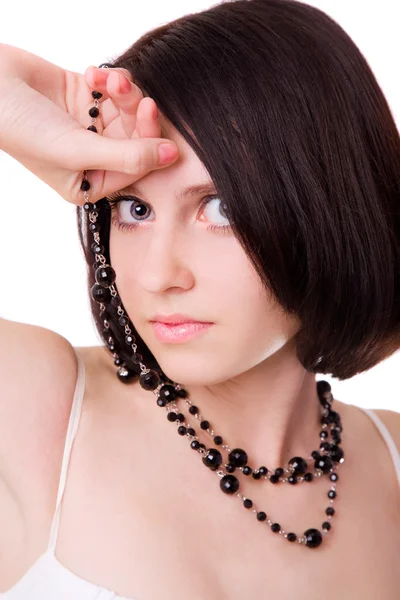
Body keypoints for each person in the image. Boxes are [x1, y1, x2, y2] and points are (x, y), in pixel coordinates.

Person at [0, 0, 399, 598]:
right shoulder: (36, 405)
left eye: (220, 209)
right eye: (134, 209)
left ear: (330, 207)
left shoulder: (394, 467)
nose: (158, 275)